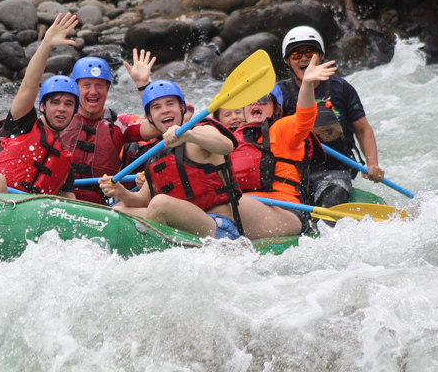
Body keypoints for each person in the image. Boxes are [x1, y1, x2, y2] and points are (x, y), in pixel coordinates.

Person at [98, 80, 245, 239]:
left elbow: (226, 145)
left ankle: (148, 247)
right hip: (183, 230)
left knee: (160, 203)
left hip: (219, 228)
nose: (165, 110)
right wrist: (121, 192)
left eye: (170, 104)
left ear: (182, 108)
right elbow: (142, 200)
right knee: (118, 211)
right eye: (157, 107)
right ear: (150, 118)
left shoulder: (201, 131)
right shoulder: (156, 155)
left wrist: (189, 136)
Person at [273, 26, 385, 209]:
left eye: (310, 53)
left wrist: (373, 164)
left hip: (335, 170)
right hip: (293, 172)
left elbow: (363, 130)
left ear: (320, 56)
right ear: (287, 61)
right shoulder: (278, 94)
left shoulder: (341, 88)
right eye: (296, 54)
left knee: (331, 198)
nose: (304, 59)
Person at [232, 54, 339, 239]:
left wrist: (307, 85)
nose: (256, 102)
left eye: (263, 99)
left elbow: (305, 116)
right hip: (244, 211)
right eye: (250, 100)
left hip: (285, 212)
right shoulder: (231, 140)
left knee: (229, 203)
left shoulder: (283, 128)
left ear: (277, 110)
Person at [0, 13, 80, 197]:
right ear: (43, 106)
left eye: (68, 104)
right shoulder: (21, 123)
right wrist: (46, 44)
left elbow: (69, 203)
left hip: (26, 213)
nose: (61, 109)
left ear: (74, 111)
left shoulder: (65, 158)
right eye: (55, 102)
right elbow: (29, 85)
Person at [59, 49, 162, 204]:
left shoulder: (120, 124)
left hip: (101, 205)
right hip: (58, 198)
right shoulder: (58, 118)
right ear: (76, 88)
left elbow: (156, 127)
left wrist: (142, 85)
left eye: (99, 85)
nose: (93, 91)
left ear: (107, 88)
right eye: (86, 85)